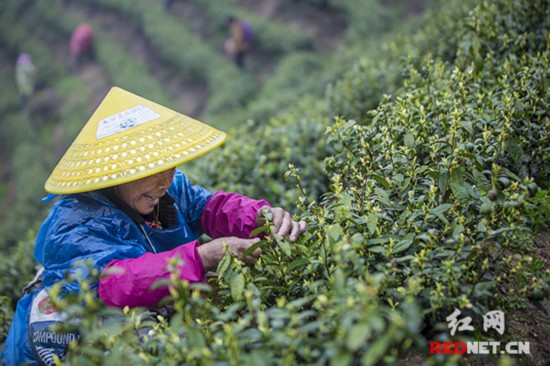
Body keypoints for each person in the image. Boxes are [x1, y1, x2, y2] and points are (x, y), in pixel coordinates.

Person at [0, 86, 307, 365]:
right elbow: (114, 284)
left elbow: (209, 207)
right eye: (151, 172)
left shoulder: (167, 189)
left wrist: (261, 217)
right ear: (116, 171)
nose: (164, 182)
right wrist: (203, 257)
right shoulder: (74, 223)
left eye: (168, 167)